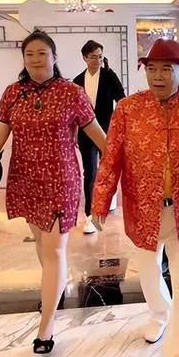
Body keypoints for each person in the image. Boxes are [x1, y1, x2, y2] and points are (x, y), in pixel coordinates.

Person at [92, 39, 179, 357]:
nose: (158, 76)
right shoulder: (128, 109)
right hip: (142, 209)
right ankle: (160, 313)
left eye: (166, 69)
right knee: (148, 273)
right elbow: (112, 157)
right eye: (152, 69)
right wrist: (100, 200)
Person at [0, 30, 106, 354]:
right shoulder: (13, 93)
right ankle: (53, 289)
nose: (35, 59)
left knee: (55, 249)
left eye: (42, 53)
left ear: (54, 57)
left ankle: (46, 328)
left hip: (61, 180)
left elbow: (97, 134)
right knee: (44, 247)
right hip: (25, 180)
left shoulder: (71, 92)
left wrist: (123, 162)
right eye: (29, 54)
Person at [73, 40, 125, 234]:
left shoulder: (109, 76)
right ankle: (89, 215)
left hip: (107, 131)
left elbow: (122, 99)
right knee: (90, 172)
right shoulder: (77, 81)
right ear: (85, 58)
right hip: (85, 133)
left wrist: (118, 123)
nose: (97, 60)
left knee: (108, 168)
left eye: (100, 57)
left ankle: (109, 198)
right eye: (93, 57)